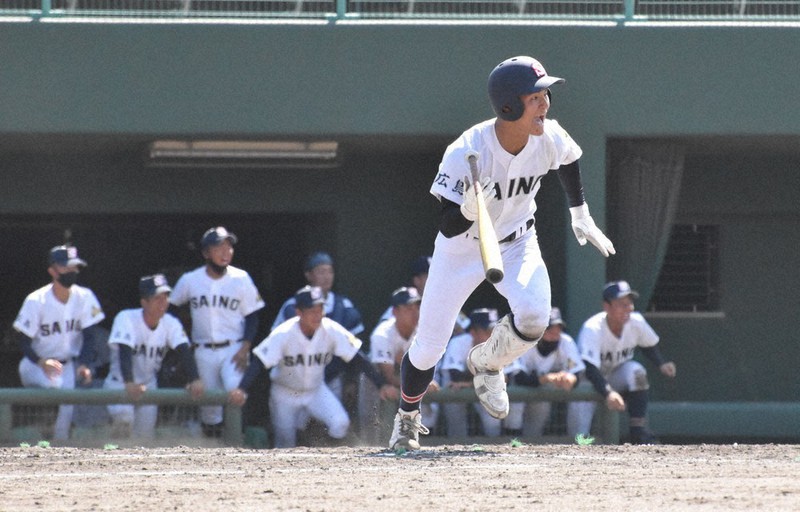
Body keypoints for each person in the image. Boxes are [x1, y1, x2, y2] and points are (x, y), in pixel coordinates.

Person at [389, 55, 616, 450]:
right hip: (462, 247)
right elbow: (446, 223)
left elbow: (570, 159)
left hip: (517, 241)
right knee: (428, 347)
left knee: (534, 316)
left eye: (546, 93)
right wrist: (467, 209)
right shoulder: (467, 150)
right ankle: (407, 418)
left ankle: (488, 362)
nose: (545, 102)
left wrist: (580, 214)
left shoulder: (549, 135)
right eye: (536, 96)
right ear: (509, 106)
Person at [228, 286, 395, 448]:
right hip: (285, 393)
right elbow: (260, 361)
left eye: (320, 309)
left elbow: (357, 357)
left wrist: (380, 384)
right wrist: (242, 388)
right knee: (285, 443)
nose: (318, 314)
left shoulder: (329, 328)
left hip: (316, 391)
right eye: (312, 310)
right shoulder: (284, 333)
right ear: (299, 312)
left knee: (340, 423)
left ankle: (331, 460)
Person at [169, 226, 265, 437]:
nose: (226, 252)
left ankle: (236, 444)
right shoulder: (190, 280)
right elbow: (171, 311)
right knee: (209, 409)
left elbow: (252, 317)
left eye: (229, 246)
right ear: (206, 253)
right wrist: (183, 340)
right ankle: (213, 453)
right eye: (219, 247)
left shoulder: (241, 278)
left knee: (235, 391)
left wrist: (246, 346)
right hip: (203, 349)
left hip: (234, 347)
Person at [13, 245, 106, 440]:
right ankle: (41, 424)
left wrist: (84, 364)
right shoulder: (36, 300)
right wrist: (40, 361)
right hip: (35, 364)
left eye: (74, 267)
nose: (71, 271)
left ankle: (57, 454)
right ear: (52, 271)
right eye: (66, 267)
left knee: (63, 426)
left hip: (67, 365)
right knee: (55, 390)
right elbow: (23, 341)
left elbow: (89, 337)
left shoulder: (84, 296)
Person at [572, 281, 677, 444]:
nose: (628, 308)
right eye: (621, 304)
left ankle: (638, 432)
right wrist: (609, 393)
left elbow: (648, 345)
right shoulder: (593, 328)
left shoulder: (636, 322)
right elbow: (590, 369)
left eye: (629, 303)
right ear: (606, 306)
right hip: (587, 382)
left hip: (614, 375)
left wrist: (661, 364)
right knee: (578, 436)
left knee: (637, 372)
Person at [104, 274, 204, 439]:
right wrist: (129, 382)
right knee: (124, 423)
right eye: (157, 298)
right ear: (144, 302)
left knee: (144, 438)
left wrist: (195, 378)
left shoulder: (170, 322)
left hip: (148, 385)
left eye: (165, 297)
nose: (163, 302)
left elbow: (184, 350)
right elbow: (124, 352)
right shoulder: (126, 317)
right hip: (120, 383)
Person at [359, 287, 438, 444]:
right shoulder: (382, 334)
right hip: (378, 380)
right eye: (409, 308)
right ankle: (371, 447)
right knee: (371, 419)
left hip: (409, 377)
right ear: (395, 311)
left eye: (417, 307)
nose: (415, 312)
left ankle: (421, 442)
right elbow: (388, 376)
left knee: (428, 404)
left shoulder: (423, 332)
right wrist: (421, 385)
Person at [440, 308, 523, 438]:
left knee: (492, 421)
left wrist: (468, 382)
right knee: (454, 402)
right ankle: (454, 445)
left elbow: (512, 376)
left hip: (485, 387)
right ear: (473, 332)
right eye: (488, 330)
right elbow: (455, 376)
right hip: (458, 390)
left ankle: (494, 447)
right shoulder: (458, 343)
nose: (493, 334)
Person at [513, 307, 585, 438]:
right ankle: (506, 440)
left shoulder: (565, 342)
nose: (554, 334)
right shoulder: (523, 341)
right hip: (518, 391)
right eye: (549, 330)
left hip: (540, 392)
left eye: (557, 329)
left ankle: (531, 443)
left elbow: (577, 372)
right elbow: (518, 378)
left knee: (542, 407)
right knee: (514, 404)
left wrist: (570, 379)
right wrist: (547, 378)